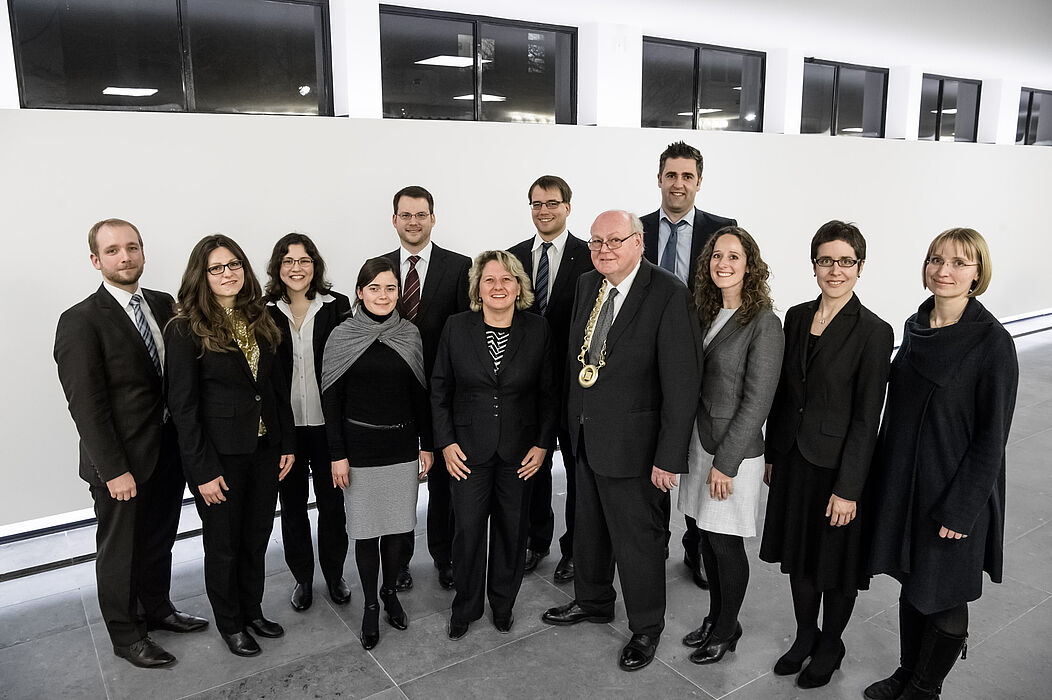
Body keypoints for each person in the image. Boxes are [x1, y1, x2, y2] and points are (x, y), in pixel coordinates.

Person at [542, 211, 701, 672]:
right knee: (588, 529)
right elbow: (578, 359)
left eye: (614, 240)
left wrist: (669, 457)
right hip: (587, 436)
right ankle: (592, 601)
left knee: (640, 542)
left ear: (639, 242)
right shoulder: (589, 283)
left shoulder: (668, 293)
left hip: (638, 448)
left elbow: (682, 383)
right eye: (595, 241)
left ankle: (646, 627)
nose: (603, 249)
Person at [864, 228, 1017, 700]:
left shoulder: (992, 344)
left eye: (959, 262)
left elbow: (992, 440)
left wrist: (961, 508)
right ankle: (908, 672)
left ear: (978, 273)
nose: (944, 270)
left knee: (944, 593)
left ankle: (926, 688)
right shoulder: (916, 327)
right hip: (908, 484)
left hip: (954, 492)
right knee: (913, 584)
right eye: (936, 259)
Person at [55, 218, 208, 669]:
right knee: (120, 552)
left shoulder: (164, 304)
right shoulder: (80, 321)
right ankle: (127, 635)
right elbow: (87, 406)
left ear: (143, 252)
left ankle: (158, 610)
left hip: (167, 453)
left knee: (160, 539)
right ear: (96, 260)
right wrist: (112, 469)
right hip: (120, 464)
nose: (125, 257)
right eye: (114, 250)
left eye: (133, 247)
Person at [759, 220, 893, 688]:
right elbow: (782, 395)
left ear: (860, 267)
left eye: (845, 261)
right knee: (798, 556)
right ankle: (804, 635)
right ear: (814, 264)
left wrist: (849, 488)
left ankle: (831, 642)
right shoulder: (795, 316)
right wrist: (773, 454)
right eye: (825, 260)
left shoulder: (874, 331)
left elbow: (866, 417)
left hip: (837, 469)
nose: (835, 270)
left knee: (834, 564)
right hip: (795, 460)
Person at [165, 234, 296, 658]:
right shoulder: (185, 328)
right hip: (218, 458)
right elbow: (183, 409)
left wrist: (286, 443)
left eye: (234, 265)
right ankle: (231, 623)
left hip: (264, 449)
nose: (227, 274)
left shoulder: (262, 318)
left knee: (256, 536)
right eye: (217, 268)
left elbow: (276, 390)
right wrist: (201, 471)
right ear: (201, 275)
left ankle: (252, 610)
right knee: (223, 544)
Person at [432, 250, 558, 639]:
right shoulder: (456, 327)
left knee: (511, 530)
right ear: (477, 288)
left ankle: (502, 604)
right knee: (467, 531)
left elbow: (549, 394)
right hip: (467, 451)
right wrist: (446, 444)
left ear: (519, 286)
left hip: (520, 452)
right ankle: (465, 607)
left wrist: (542, 444)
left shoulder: (537, 329)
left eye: (507, 279)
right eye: (489, 279)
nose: (498, 286)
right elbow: (439, 388)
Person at [677, 227, 783, 665]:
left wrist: (727, 464)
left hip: (732, 454)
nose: (723, 263)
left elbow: (757, 401)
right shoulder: (706, 312)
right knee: (704, 537)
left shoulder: (764, 323)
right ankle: (717, 617)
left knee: (725, 544)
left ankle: (726, 630)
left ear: (749, 265)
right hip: (700, 444)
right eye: (716, 256)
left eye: (733, 257)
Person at [321, 257, 433, 650]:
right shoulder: (342, 335)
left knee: (400, 530)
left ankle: (389, 592)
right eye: (374, 288)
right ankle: (370, 605)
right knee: (366, 534)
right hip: (360, 450)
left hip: (402, 448)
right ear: (360, 292)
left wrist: (428, 445)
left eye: (389, 288)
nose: (383, 295)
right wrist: (337, 454)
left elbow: (421, 397)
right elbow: (330, 401)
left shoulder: (410, 335)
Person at [641, 140, 737, 590]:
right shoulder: (635, 231)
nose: (678, 183)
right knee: (652, 456)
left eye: (687, 176)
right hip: (644, 364)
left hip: (702, 360)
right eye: (671, 174)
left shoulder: (723, 231)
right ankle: (653, 543)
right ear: (659, 178)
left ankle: (694, 547)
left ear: (699, 181)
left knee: (697, 459)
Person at [381, 185, 471, 592]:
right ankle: (397, 563)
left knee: (444, 486)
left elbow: (466, 337)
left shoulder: (459, 266)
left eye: (421, 215)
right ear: (394, 219)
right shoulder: (376, 269)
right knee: (397, 485)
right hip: (393, 401)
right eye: (406, 215)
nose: (413, 222)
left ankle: (444, 556)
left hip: (442, 397)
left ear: (433, 218)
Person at [506, 175, 594, 583]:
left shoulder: (589, 256)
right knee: (532, 470)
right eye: (536, 203)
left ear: (568, 207)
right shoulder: (511, 258)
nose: (544, 210)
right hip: (525, 389)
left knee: (578, 474)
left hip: (576, 386)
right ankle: (535, 541)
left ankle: (575, 549)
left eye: (552, 203)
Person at [265, 233, 352, 612]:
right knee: (293, 505)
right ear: (278, 268)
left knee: (333, 505)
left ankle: (334, 574)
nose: (296, 268)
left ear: (314, 265)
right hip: (286, 430)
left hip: (328, 425)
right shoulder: (263, 310)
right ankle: (303, 577)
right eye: (288, 261)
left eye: (303, 260)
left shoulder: (338, 306)